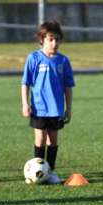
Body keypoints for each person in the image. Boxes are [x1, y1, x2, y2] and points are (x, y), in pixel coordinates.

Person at [21, 21, 75, 184]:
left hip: (56, 109)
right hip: (39, 108)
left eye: (57, 39)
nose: (54, 43)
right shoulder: (34, 58)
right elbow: (26, 83)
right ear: (42, 39)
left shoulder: (63, 61)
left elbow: (68, 86)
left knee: (53, 141)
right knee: (40, 140)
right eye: (51, 39)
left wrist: (69, 109)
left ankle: (50, 172)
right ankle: (36, 173)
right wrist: (25, 104)